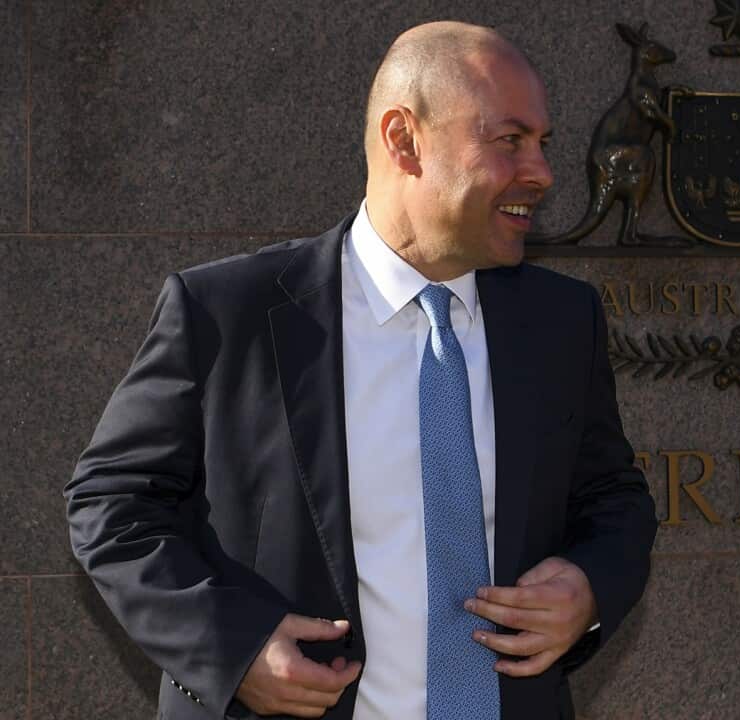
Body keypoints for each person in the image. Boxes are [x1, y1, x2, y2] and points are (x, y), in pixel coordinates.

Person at [64, 21, 656, 720]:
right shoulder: (228, 313)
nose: (543, 173)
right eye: (510, 140)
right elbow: (112, 504)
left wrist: (587, 588)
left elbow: (614, 498)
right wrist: (233, 647)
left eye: (542, 144)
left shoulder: (562, 320)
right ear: (404, 139)